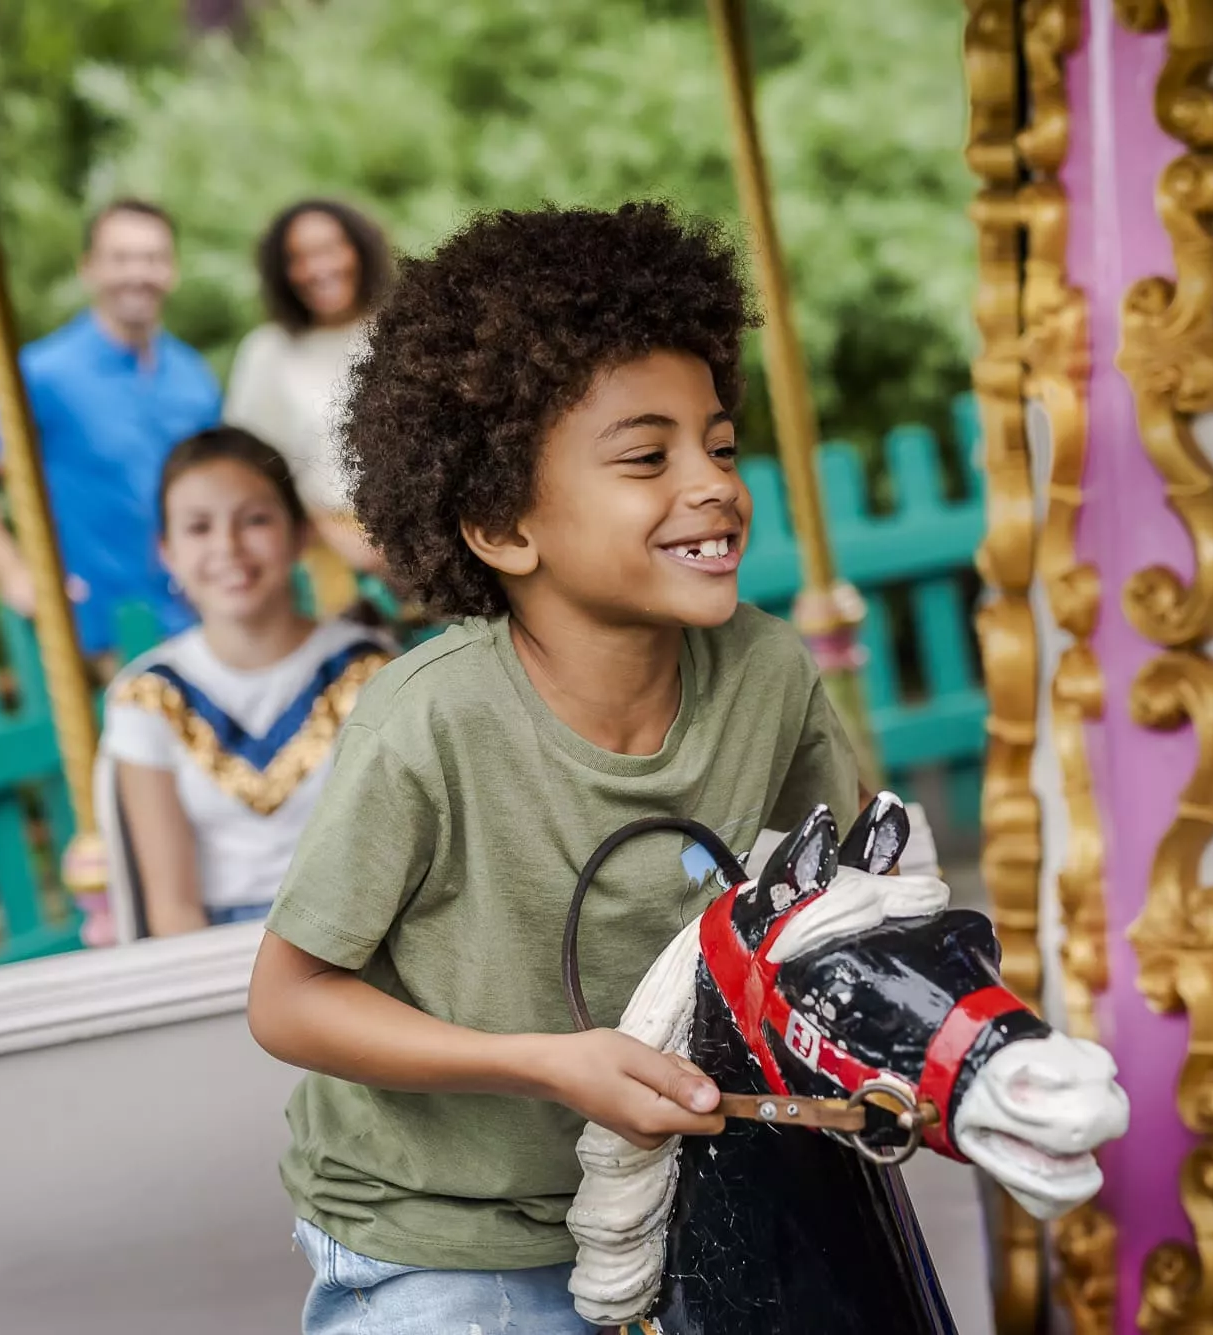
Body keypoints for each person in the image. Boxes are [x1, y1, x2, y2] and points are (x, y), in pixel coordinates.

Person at [245, 203, 862, 1334]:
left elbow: (859, 907)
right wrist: (545, 1064)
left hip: (686, 1186)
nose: (713, 484)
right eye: (646, 457)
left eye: (719, 445)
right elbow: (287, 1003)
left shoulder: (767, 674)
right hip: (440, 1222)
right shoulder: (424, 727)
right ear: (499, 525)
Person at [96, 427, 394, 938]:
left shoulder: (367, 670)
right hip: (213, 947)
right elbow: (172, 906)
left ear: (300, 534)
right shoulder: (150, 697)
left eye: (254, 520)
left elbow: (391, 860)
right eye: (198, 528)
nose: (228, 547)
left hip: (354, 937)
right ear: (166, 551)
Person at [0, 198, 223, 670]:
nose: (138, 273)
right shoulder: (43, 374)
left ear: (172, 270)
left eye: (153, 258)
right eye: (121, 258)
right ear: (88, 269)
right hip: (101, 641)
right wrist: (16, 578)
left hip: (200, 620)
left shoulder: (193, 376)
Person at [222, 198, 396, 616]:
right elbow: (248, 469)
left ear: (359, 249)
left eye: (330, 248)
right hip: (325, 561)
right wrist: (330, 531)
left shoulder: (402, 332)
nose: (319, 268)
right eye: (300, 257)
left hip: (419, 546)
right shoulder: (269, 353)